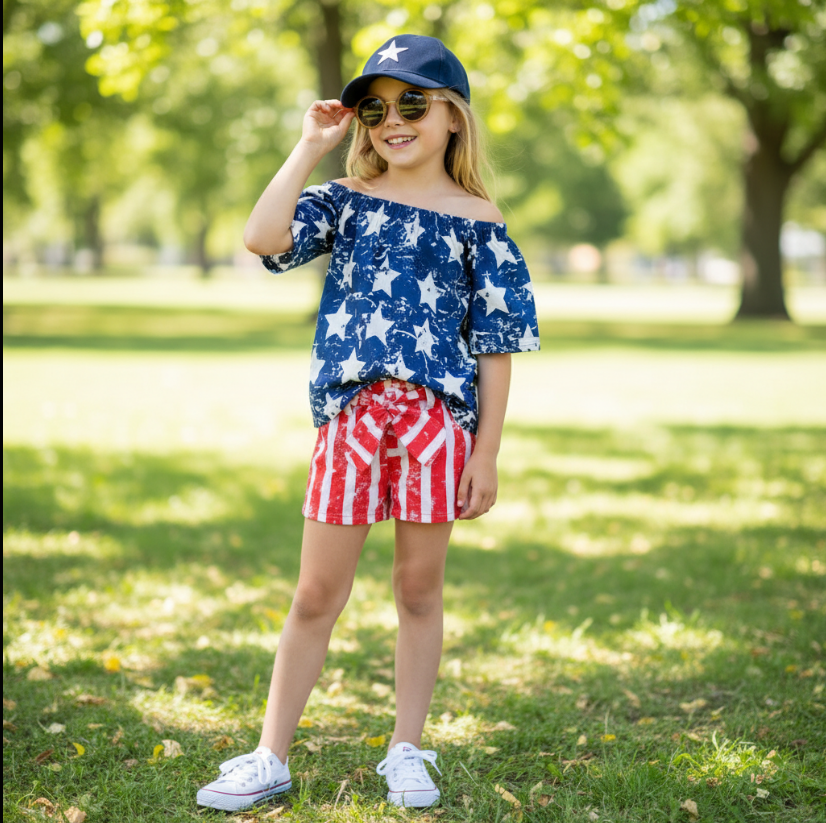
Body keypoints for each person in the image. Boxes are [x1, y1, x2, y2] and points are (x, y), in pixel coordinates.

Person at [197, 33, 540, 812]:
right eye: (376, 107)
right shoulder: (346, 198)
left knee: (418, 589)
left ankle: (406, 747)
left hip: (435, 424)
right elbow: (262, 238)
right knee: (317, 590)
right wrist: (309, 145)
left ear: (452, 116)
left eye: (413, 102)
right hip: (351, 416)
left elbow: (495, 346)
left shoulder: (479, 218)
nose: (393, 119)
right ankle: (269, 753)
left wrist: (485, 453)